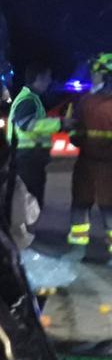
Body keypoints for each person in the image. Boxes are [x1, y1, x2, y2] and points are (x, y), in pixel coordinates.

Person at [69, 53, 112, 252]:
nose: (93, 77)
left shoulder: (85, 102)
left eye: (96, 73)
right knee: (109, 208)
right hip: (108, 167)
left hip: (86, 164)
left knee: (81, 204)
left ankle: (78, 247)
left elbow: (74, 136)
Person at [9, 64, 60, 208]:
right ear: (39, 78)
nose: (50, 81)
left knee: (29, 200)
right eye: (48, 77)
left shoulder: (31, 98)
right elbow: (27, 124)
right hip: (28, 157)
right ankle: (23, 229)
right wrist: (59, 124)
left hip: (29, 156)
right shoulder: (28, 100)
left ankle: (24, 229)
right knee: (30, 201)